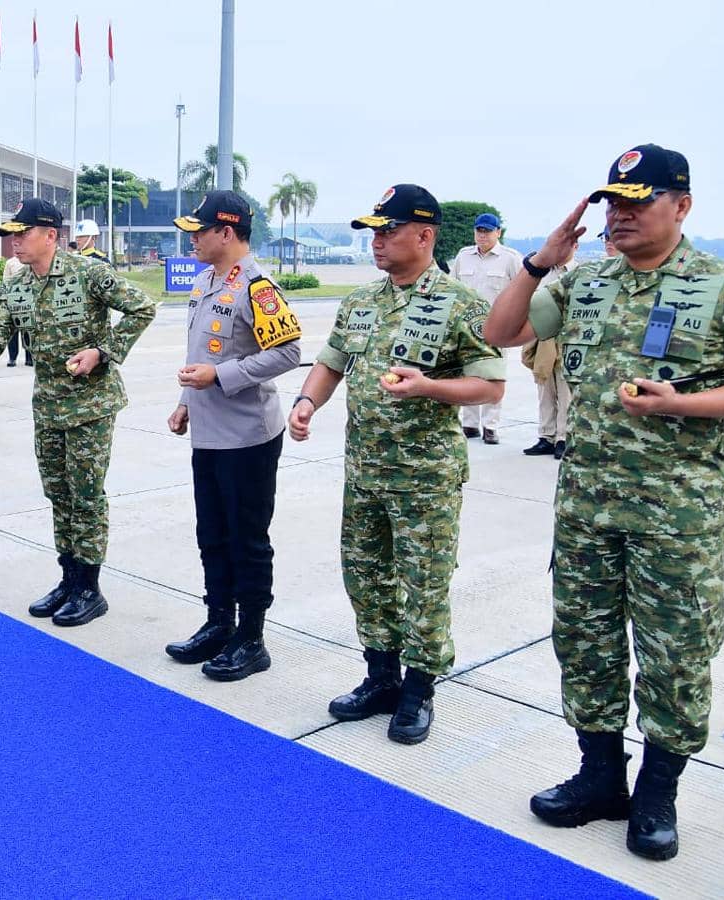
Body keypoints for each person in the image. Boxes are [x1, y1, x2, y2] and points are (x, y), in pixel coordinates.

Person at [484, 144, 724, 861]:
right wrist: (541, 261)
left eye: (637, 201)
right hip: (587, 509)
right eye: (611, 203)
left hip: (677, 516)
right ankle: (599, 777)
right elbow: (501, 334)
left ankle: (657, 794)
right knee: (584, 646)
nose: (619, 215)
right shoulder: (585, 283)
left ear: (681, 205)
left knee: (676, 656)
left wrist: (687, 402)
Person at [288, 185, 505, 744]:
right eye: (374, 233)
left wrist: (430, 386)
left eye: (388, 231)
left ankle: (419, 689)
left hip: (425, 477)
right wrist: (307, 402)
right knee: (365, 574)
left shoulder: (461, 303)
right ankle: (380, 675)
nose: (378, 243)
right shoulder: (362, 302)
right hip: (363, 470)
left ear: (425, 235)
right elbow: (331, 361)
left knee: (423, 582)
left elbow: (492, 384)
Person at [0, 198, 157, 627]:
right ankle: (69, 578)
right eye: (12, 235)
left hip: (92, 407)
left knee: (86, 497)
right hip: (49, 409)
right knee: (58, 495)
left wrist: (103, 351)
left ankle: (90, 589)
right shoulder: (16, 286)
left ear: (51, 235)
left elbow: (143, 306)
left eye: (23, 234)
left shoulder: (88, 273)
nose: (15, 242)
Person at [165, 191, 302, 681]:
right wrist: (185, 403)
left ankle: (251, 638)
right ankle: (218, 623)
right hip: (207, 432)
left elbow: (288, 353)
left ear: (226, 232)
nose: (193, 239)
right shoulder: (205, 280)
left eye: (199, 231)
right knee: (212, 535)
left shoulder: (257, 287)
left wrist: (221, 377)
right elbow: (198, 350)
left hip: (247, 437)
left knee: (246, 539)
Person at [451, 213, 521, 444]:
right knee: (468, 373)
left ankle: (490, 426)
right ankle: (470, 424)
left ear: (498, 233)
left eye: (488, 231)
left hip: (498, 325)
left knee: (493, 375)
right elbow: (453, 288)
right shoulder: (464, 256)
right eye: (479, 231)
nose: (482, 235)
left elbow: (522, 290)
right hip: (467, 326)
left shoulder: (510, 258)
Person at [521, 241, 577, 460]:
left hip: (567, 338)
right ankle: (546, 436)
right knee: (544, 388)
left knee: (565, 392)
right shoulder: (544, 274)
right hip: (543, 336)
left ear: (575, 247)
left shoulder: (579, 273)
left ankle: (563, 438)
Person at [2, 254, 31, 367]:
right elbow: (5, 280)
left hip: (28, 299)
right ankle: (12, 358)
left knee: (28, 330)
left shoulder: (30, 261)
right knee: (13, 331)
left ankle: (29, 358)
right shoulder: (10, 262)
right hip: (14, 298)